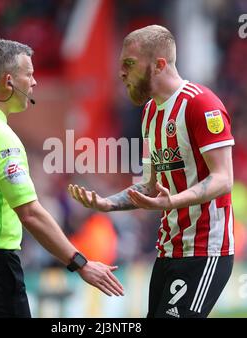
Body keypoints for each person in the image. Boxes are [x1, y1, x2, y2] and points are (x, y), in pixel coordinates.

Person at [0, 39, 124, 318]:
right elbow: (30, 213)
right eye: (28, 74)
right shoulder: (0, 137)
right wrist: (81, 263)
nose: (35, 82)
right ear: (8, 81)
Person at [68, 25, 235, 318]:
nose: (121, 73)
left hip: (205, 250)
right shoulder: (150, 113)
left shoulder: (201, 104)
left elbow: (224, 179)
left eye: (129, 64)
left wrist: (173, 201)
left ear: (159, 65)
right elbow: (150, 185)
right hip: (168, 249)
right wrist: (109, 203)